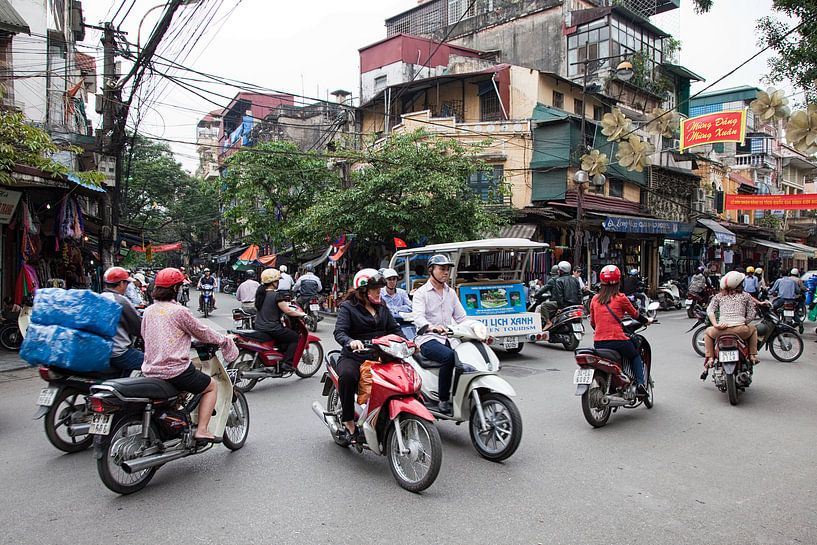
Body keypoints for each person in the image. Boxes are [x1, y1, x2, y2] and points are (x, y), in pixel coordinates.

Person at [333, 268, 402, 443]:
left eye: (380, 290)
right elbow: (340, 332)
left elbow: (394, 329)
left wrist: (408, 343)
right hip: (354, 356)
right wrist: (351, 342)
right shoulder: (348, 308)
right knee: (347, 377)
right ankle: (349, 421)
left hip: (381, 354)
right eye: (376, 290)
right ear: (363, 290)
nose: (380, 293)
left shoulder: (382, 307)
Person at [412, 255, 467, 415]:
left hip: (450, 337)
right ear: (431, 270)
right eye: (442, 269)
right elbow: (418, 317)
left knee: (467, 357)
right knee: (449, 357)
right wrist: (431, 327)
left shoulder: (451, 293)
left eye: (447, 270)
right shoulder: (421, 293)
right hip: (428, 339)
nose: (446, 273)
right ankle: (443, 399)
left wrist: (476, 328)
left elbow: (462, 317)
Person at [589, 265, 649, 397]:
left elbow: (593, 323)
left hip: (598, 342)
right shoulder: (621, 297)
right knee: (635, 355)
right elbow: (635, 314)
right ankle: (640, 384)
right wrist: (647, 321)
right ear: (618, 281)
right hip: (617, 340)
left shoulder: (594, 299)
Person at [701, 271, 760, 379]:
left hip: (721, 330)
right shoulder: (746, 296)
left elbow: (710, 310)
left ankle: (710, 358)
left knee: (707, 333)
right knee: (754, 329)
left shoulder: (719, 296)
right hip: (740, 330)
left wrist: (716, 324)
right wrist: (743, 322)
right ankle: (752, 355)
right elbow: (752, 313)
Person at [254, 268, 304, 371]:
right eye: (277, 281)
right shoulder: (277, 296)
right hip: (272, 328)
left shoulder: (260, 294)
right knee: (295, 337)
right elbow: (288, 311)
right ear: (273, 282)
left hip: (259, 326)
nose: (278, 283)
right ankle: (287, 363)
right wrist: (302, 314)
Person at [99, 267, 145, 373]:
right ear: (121, 283)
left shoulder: (99, 297)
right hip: (119, 352)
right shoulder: (121, 301)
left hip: (102, 350)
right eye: (126, 283)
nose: (127, 286)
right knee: (152, 363)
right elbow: (138, 327)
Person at [533, 266, 560, 330]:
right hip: (566, 302)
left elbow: (542, 290)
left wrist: (536, 295)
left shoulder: (553, 280)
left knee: (539, 307)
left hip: (557, 302)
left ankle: (538, 327)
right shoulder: (567, 279)